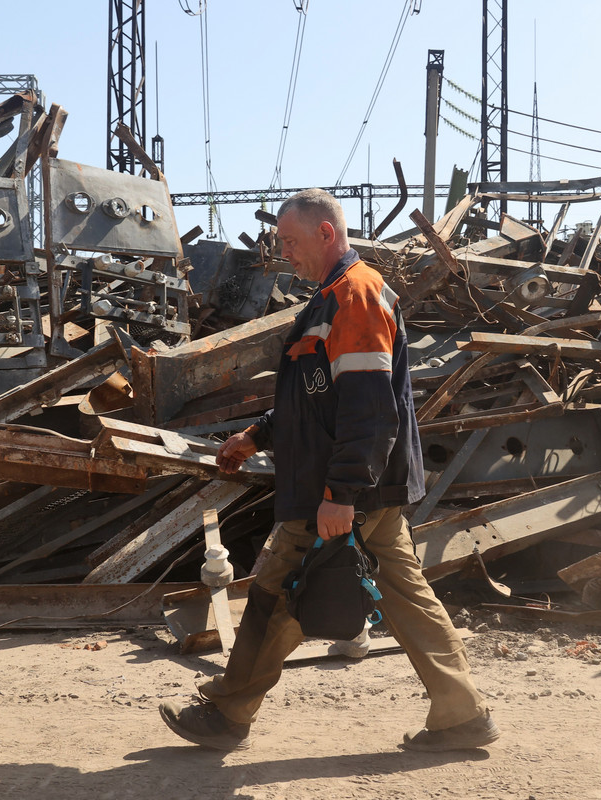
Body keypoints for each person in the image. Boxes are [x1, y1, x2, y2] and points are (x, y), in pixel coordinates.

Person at [159, 189, 498, 752]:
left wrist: (340, 493)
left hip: (344, 490)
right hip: (366, 488)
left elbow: (368, 410)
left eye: (289, 242)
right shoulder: (329, 299)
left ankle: (227, 711)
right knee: (407, 598)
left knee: (277, 590)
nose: (282, 253)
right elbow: (317, 398)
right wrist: (257, 435)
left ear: (325, 233)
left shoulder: (356, 297)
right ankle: (462, 713)